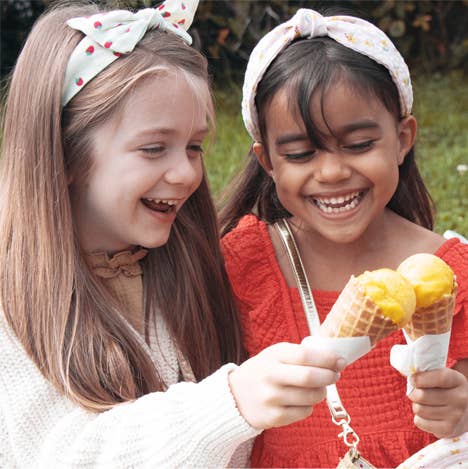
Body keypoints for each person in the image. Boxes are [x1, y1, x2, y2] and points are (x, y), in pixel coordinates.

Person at [0, 1, 345, 467]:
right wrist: (230, 402)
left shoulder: (190, 268)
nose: (185, 173)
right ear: (65, 156)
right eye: (154, 148)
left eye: (194, 146)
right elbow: (65, 454)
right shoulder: (12, 306)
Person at [220, 7, 468, 468]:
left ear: (402, 138)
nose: (332, 172)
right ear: (268, 161)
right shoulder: (244, 262)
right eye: (299, 153)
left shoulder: (455, 276)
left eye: (358, 145)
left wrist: (460, 412)